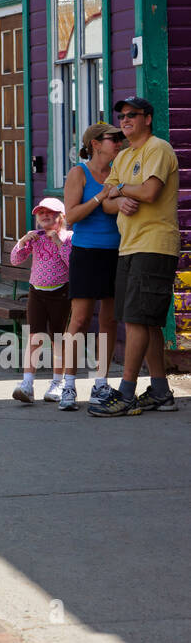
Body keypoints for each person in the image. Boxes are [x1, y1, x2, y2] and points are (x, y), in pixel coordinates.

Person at [89, 96, 180, 417]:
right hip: (129, 245)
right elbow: (107, 202)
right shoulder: (124, 156)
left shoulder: (158, 149)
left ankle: (126, 392)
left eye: (132, 115)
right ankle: (160, 391)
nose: (125, 120)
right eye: (122, 116)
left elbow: (150, 192)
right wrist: (122, 196)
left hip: (154, 244)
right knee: (147, 320)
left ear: (148, 119)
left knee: (138, 318)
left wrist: (123, 190)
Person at [62, 122, 125, 410]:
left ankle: (101, 381)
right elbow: (71, 216)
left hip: (117, 251)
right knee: (80, 319)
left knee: (109, 321)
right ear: (96, 144)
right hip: (86, 252)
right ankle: (69, 385)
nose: (119, 142)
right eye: (114, 138)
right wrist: (101, 196)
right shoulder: (80, 173)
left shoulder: (120, 170)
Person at [9, 198, 72, 404]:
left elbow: (72, 262)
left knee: (58, 339)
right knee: (34, 336)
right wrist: (23, 241)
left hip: (60, 293)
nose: (45, 216)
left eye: (50, 212)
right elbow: (15, 260)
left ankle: (57, 382)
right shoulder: (35, 238)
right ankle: (27, 384)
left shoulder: (69, 237)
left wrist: (58, 241)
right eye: (40, 213)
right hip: (36, 292)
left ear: (61, 217)